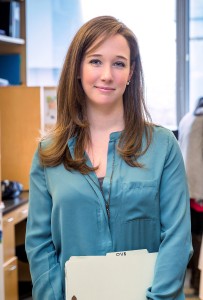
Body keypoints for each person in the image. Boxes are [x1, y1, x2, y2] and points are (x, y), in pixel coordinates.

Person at [25, 15, 192, 300]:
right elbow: (40, 245)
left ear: (130, 72)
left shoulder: (163, 146)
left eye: (118, 63)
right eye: (95, 61)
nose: (106, 75)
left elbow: (177, 238)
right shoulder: (49, 154)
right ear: (78, 68)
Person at [179, 97, 203, 295]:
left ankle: (193, 280)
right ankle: (197, 282)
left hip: (185, 185)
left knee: (193, 234)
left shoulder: (187, 118)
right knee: (199, 237)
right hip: (199, 187)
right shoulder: (201, 120)